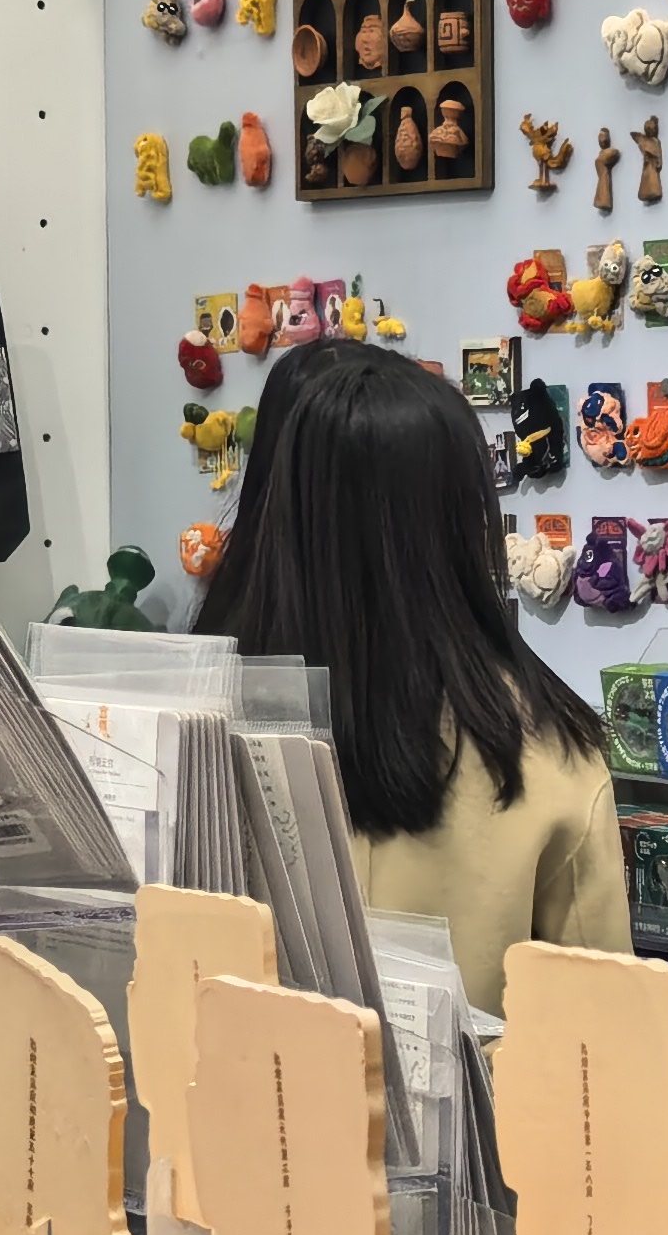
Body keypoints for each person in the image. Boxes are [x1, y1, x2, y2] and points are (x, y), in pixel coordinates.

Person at [197, 337, 629, 1013]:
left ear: (275, 511)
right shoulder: (548, 754)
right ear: (460, 524)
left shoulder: (187, 728)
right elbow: (604, 1041)